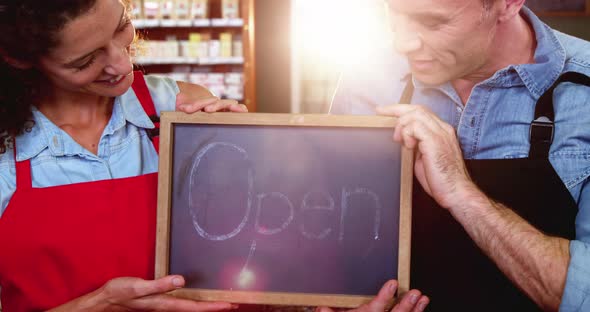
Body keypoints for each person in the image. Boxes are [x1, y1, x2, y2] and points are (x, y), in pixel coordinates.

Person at [0, 1, 430, 311]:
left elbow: (256, 266)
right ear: (19, 59)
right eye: (86, 60)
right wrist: (97, 306)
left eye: (121, 27)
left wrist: (248, 161)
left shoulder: (185, 110)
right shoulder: (6, 155)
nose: (120, 63)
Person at [331, 0, 590, 311]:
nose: (402, 43)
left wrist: (461, 191)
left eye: (432, 22)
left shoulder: (583, 94)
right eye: (393, 12)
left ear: (507, 4)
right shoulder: (366, 82)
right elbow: (331, 245)